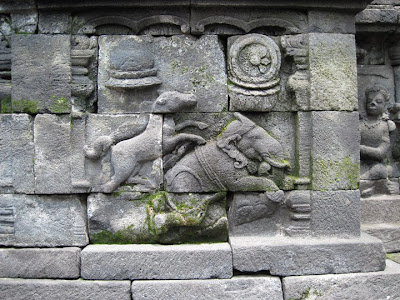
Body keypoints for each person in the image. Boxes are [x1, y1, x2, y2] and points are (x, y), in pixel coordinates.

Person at [360, 85, 398, 196]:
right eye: (369, 101)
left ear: (385, 105)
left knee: (381, 170)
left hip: (379, 166)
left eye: (378, 101)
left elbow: (381, 153)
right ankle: (371, 187)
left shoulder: (386, 126)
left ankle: (369, 187)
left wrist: (360, 148)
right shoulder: (360, 125)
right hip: (361, 165)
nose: (373, 103)